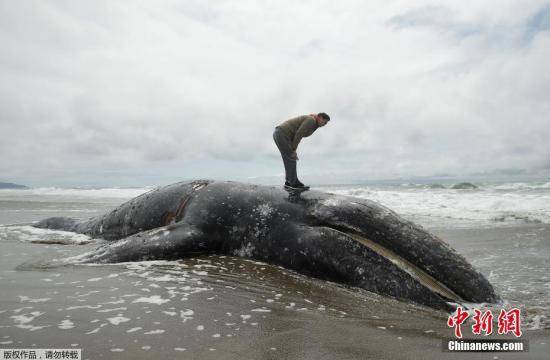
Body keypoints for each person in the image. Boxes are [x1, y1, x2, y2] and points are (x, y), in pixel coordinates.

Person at [273, 112, 330, 190]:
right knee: (291, 158)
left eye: (326, 123)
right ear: (320, 117)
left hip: (281, 134)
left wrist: (293, 149)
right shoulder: (311, 120)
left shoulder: (315, 124)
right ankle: (292, 183)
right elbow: (299, 133)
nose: (325, 124)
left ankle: (290, 182)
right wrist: (293, 149)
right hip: (282, 133)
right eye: (324, 122)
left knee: (289, 159)